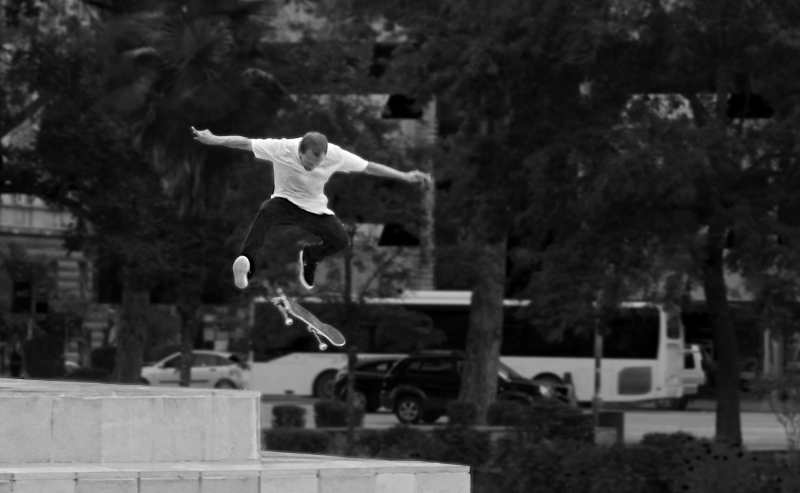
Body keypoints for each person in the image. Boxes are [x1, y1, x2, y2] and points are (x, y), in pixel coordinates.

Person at [191, 127, 431, 290]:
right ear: (300, 151)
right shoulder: (281, 148)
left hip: (314, 209)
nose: (312, 166)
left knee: (341, 240)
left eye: (318, 162)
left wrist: (405, 176)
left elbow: (368, 167)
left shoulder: (334, 155)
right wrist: (214, 139)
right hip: (284, 202)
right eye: (308, 161)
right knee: (266, 211)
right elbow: (244, 143)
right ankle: (246, 263)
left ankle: (310, 256)